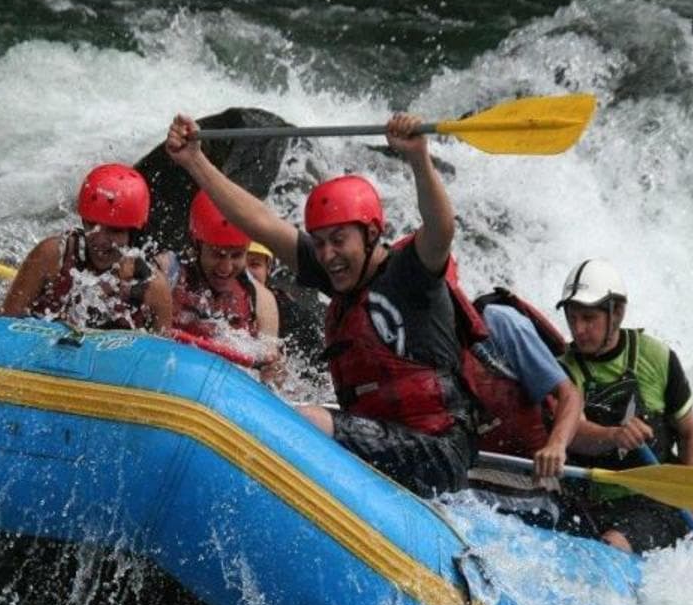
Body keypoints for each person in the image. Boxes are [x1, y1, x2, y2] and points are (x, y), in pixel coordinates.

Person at [166, 111, 472, 497]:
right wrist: (195, 161)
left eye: (339, 241)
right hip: (380, 438)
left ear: (372, 233)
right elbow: (260, 222)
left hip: (437, 451)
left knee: (309, 420)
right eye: (320, 242)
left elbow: (441, 229)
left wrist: (418, 157)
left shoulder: (412, 274)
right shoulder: (336, 272)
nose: (328, 255)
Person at [557, 258, 693, 553]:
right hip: (593, 503)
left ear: (617, 312)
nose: (578, 329)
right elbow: (572, 433)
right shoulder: (563, 370)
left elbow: (689, 435)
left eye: (588, 318)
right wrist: (613, 435)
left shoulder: (657, 357)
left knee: (612, 544)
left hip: (660, 501)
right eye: (572, 318)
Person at [461, 286, 584, 526]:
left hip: (534, 481)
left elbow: (570, 394)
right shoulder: (406, 336)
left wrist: (556, 445)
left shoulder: (500, 322)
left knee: (450, 488)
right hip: (475, 468)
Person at [0, 163, 172, 331]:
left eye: (115, 230)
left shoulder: (154, 289)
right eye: (92, 225)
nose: (100, 240)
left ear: (134, 234)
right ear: (83, 221)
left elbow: (162, 349)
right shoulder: (52, 256)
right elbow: (2, 326)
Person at [159, 190, 282, 383]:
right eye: (217, 254)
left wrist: (272, 370)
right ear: (197, 245)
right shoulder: (166, 271)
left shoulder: (262, 301)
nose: (226, 268)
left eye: (237, 255)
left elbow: (270, 379)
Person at [245, 242, 327, 375]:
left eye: (254, 265)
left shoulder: (295, 317)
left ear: (268, 268)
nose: (245, 273)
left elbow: (317, 375)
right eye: (240, 263)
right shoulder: (212, 300)